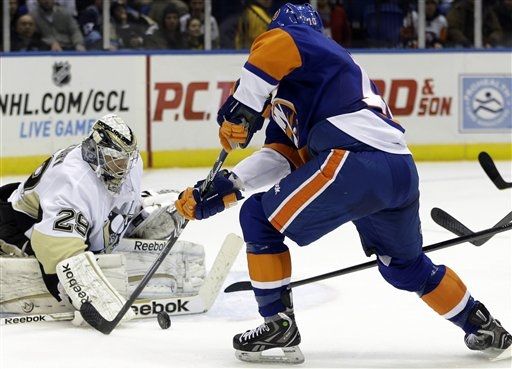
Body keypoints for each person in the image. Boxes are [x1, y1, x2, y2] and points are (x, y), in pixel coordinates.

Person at [174, 3, 512, 364]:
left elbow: (277, 46)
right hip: (397, 170)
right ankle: (482, 325)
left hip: (354, 159)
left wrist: (240, 109)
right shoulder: (309, 85)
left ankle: (276, 323)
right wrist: (228, 186)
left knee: (259, 218)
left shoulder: (297, 42)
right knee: (404, 267)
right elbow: (282, 157)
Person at [0, 114, 142, 323]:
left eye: (127, 158)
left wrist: (139, 219)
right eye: (115, 159)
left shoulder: (127, 165)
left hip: (50, 204)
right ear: (96, 151)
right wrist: (83, 293)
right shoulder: (73, 182)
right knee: (47, 249)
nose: (123, 166)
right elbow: (55, 249)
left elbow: (120, 199)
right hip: (17, 223)